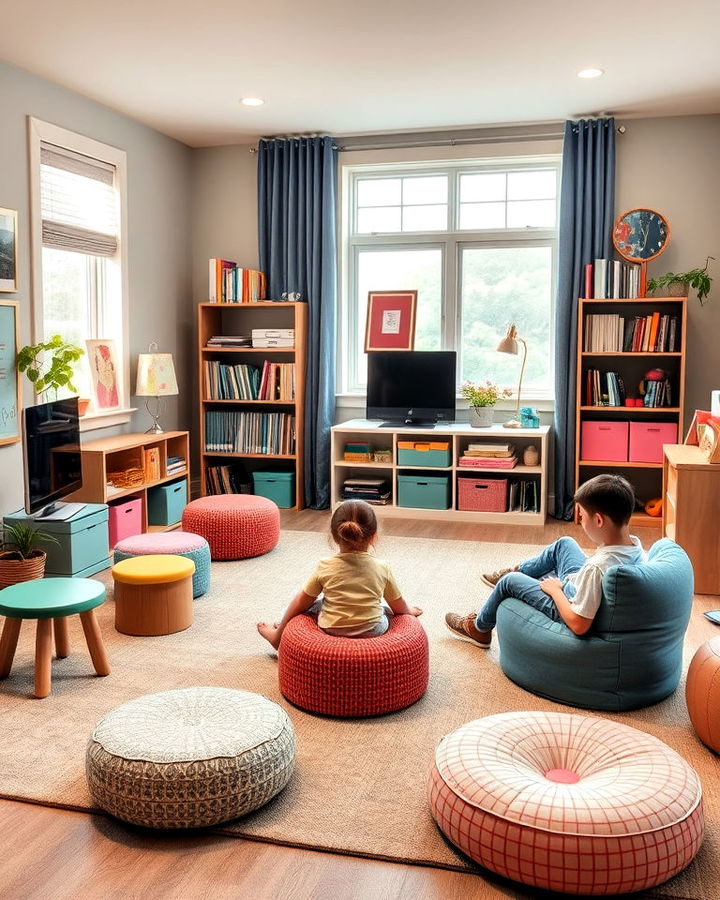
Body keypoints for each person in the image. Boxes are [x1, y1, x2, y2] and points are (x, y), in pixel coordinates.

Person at [445, 473, 647, 647]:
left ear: (599, 520)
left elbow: (579, 624)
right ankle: (519, 571)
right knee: (564, 543)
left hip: (568, 600)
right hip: (577, 584)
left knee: (510, 581)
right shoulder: (636, 547)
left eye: (583, 516)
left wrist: (555, 590)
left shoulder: (597, 569)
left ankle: (479, 628)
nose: (581, 522)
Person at [257, 499, 422, 650]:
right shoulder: (382, 567)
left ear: (334, 536)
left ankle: (277, 636)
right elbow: (398, 605)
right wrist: (408, 611)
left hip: (331, 627)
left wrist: (288, 622)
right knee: (383, 609)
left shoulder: (325, 566)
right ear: (373, 537)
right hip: (373, 630)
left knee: (315, 603)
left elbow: (302, 601)